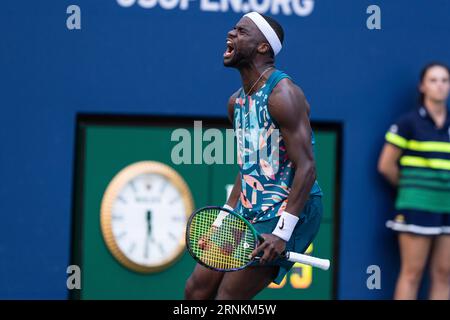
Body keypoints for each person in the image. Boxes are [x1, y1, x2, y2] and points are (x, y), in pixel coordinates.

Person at [184, 12, 323, 300]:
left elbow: (307, 168)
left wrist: (283, 233)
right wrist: (223, 219)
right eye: (233, 29)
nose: (231, 34)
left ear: (263, 47)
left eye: (241, 31)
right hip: (250, 209)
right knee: (197, 290)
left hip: (291, 209)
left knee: (228, 299)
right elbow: (250, 166)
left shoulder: (283, 95)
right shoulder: (236, 102)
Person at [378, 62, 450, 300]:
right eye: (433, 80)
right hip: (416, 206)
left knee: (444, 274)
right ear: (422, 86)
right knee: (412, 273)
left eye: (444, 80)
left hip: (447, 208)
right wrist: (411, 190)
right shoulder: (408, 122)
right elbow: (386, 165)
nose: (439, 86)